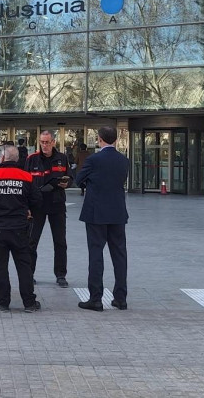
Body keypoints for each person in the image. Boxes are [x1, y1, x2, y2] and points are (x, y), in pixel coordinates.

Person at [0, 144, 42, 313]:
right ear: (17, 159)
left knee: (0, 267)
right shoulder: (26, 177)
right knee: (24, 266)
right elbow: (37, 201)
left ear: (2, 158)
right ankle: (29, 303)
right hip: (20, 228)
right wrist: (30, 214)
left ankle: (3, 302)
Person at [76, 126, 130, 312]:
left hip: (96, 212)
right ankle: (121, 298)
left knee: (96, 253)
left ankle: (96, 298)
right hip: (117, 212)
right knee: (119, 255)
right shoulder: (123, 160)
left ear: (99, 139)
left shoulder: (93, 159)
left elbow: (78, 180)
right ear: (115, 139)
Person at [26, 130, 72, 287]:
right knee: (32, 241)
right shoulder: (31, 160)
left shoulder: (62, 158)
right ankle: (29, 273)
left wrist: (68, 183)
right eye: (42, 142)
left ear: (53, 142)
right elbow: (25, 183)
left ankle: (61, 275)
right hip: (37, 206)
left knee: (60, 241)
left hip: (57, 204)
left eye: (47, 142)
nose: (44, 145)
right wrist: (26, 206)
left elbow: (69, 177)